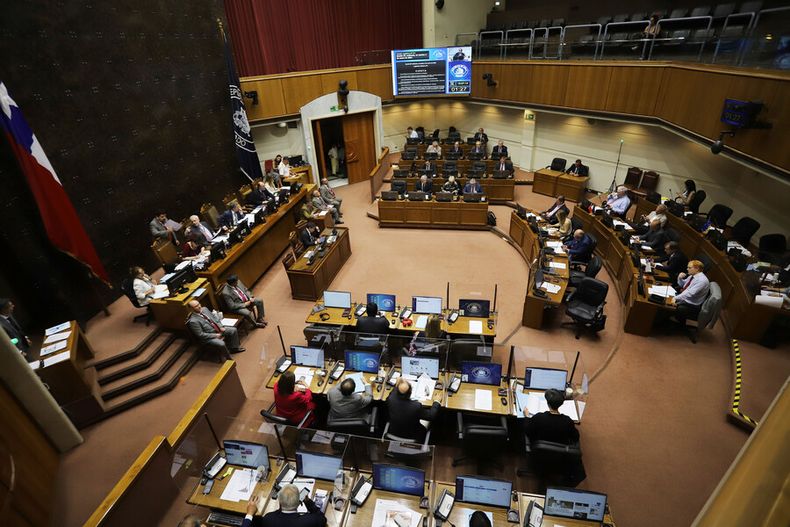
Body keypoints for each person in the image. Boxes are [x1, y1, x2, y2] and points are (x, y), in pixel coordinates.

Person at [257, 484, 326, 527]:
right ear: (298, 502)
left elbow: (276, 514)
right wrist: (308, 502)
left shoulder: (268, 519)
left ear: (279, 501)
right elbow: (323, 519)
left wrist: (282, 504)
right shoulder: (310, 521)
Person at [670, 260, 711, 325]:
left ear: (697, 268)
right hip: (686, 298)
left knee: (667, 302)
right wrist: (680, 278)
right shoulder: (692, 276)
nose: (687, 269)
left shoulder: (702, 281)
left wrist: (675, 298)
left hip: (692, 305)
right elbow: (683, 285)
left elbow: (689, 294)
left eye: (689, 268)